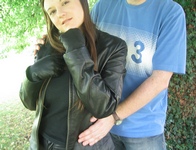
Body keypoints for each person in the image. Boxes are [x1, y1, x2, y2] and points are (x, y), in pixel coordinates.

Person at [77, 0, 187, 150]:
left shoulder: (170, 13)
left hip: (142, 131)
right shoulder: (102, 6)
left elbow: (160, 79)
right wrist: (51, 44)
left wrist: (113, 117)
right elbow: (81, 43)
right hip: (98, 124)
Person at [19, 0, 127, 149]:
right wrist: (31, 74)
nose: (60, 14)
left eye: (65, 2)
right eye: (52, 11)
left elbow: (104, 107)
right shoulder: (46, 45)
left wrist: (76, 49)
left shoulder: (112, 47)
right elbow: (28, 103)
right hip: (41, 143)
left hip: (85, 146)